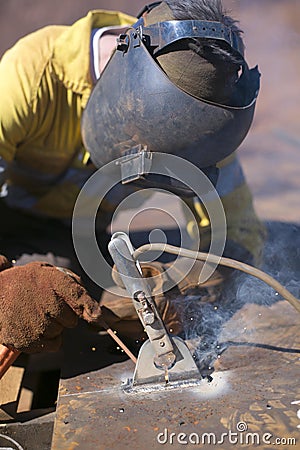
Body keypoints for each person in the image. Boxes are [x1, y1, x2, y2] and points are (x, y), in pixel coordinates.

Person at [0, 0, 266, 356]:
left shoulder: (205, 114)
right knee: (32, 308)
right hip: (9, 222)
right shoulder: (30, 75)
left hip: (79, 234)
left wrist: (202, 286)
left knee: (76, 298)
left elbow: (237, 231)